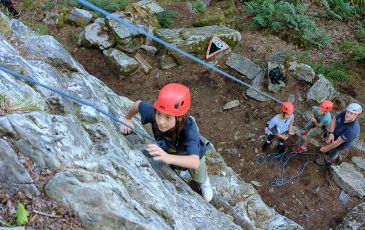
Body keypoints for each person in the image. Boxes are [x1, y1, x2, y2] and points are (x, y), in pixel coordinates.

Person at [119, 83, 214, 202]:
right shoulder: (154, 113)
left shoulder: (189, 131)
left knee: (199, 177)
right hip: (169, 147)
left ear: (179, 117)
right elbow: (138, 104)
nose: (161, 122)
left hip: (192, 154)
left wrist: (167, 157)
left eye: (168, 117)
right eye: (159, 114)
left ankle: (204, 182)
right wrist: (127, 119)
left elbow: (194, 162)